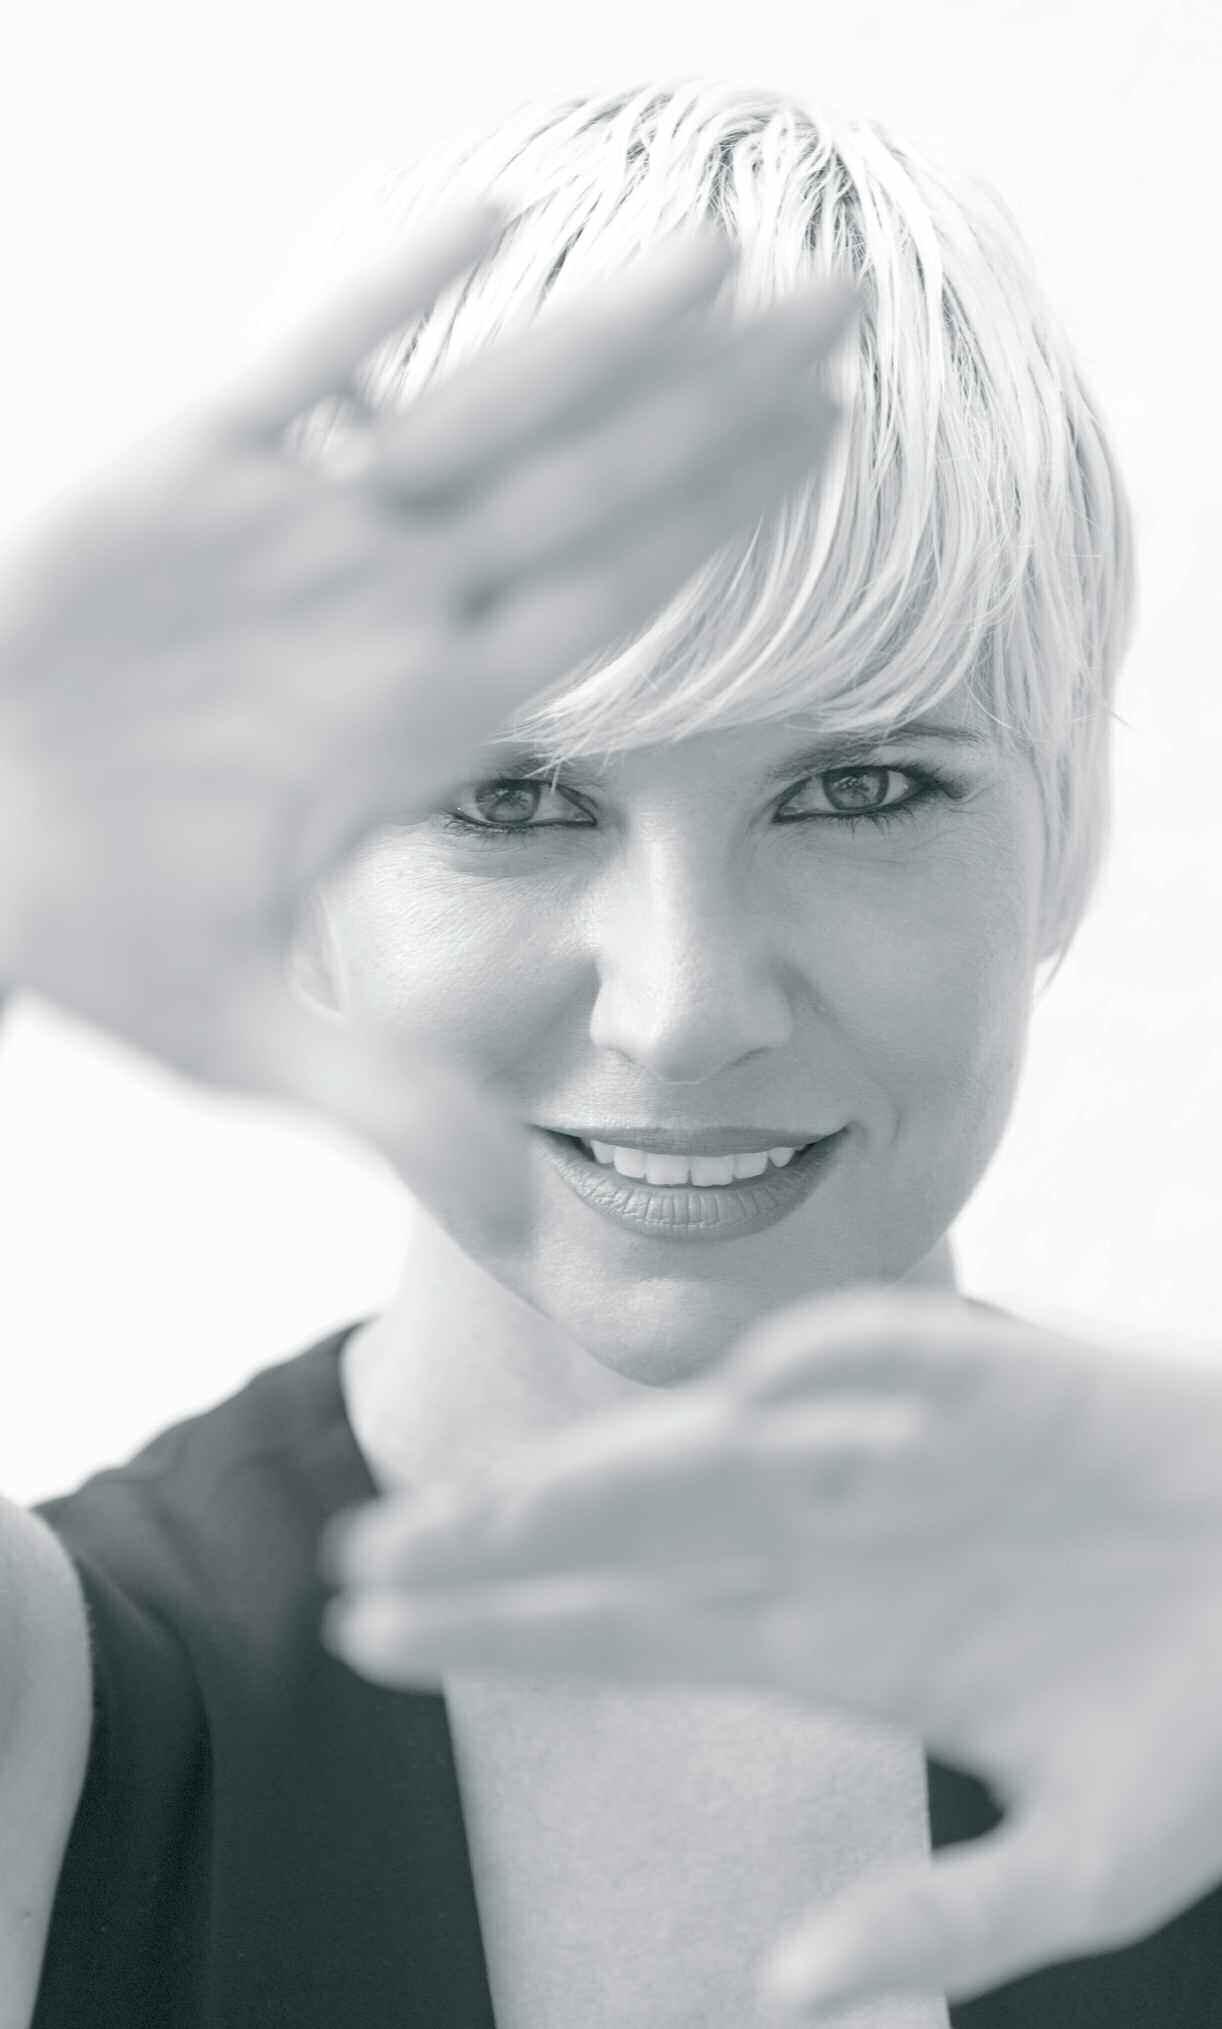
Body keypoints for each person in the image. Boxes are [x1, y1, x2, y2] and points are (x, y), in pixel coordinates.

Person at [1, 73, 1213, 2029]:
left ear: (1062, 836)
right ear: (291, 862)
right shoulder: (64, 1711)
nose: (682, 1002)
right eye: (511, 800)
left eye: (858, 788)